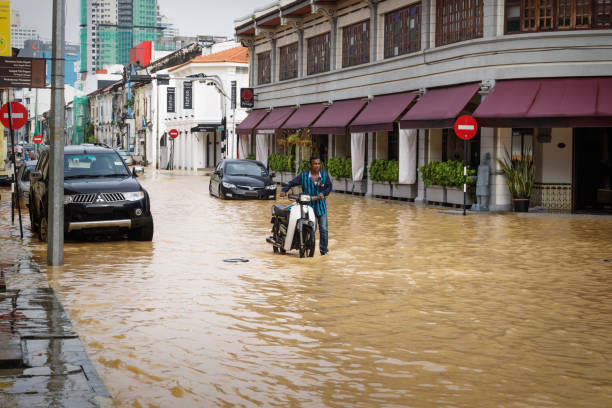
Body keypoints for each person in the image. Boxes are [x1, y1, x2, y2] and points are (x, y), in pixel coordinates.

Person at [280, 156, 332, 256]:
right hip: (307, 207)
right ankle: (306, 246)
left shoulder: (325, 176)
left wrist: (324, 193)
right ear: (310, 165)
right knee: (311, 228)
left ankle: (324, 251)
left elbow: (329, 187)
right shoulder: (303, 176)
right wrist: (284, 190)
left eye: (318, 164)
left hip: (321, 206)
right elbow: (291, 183)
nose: (317, 166)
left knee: (324, 229)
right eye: (314, 164)